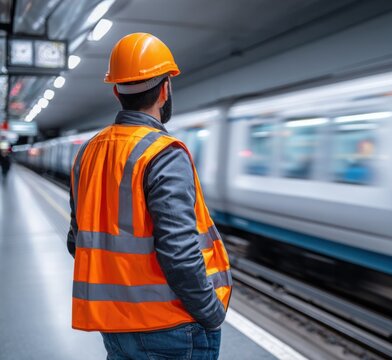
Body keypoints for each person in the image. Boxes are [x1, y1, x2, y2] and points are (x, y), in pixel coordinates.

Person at [67, 33, 232, 360]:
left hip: (114, 326)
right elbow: (180, 253)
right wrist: (211, 314)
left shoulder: (88, 152)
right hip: (170, 327)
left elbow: (77, 240)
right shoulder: (164, 154)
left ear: (116, 91)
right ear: (165, 89)